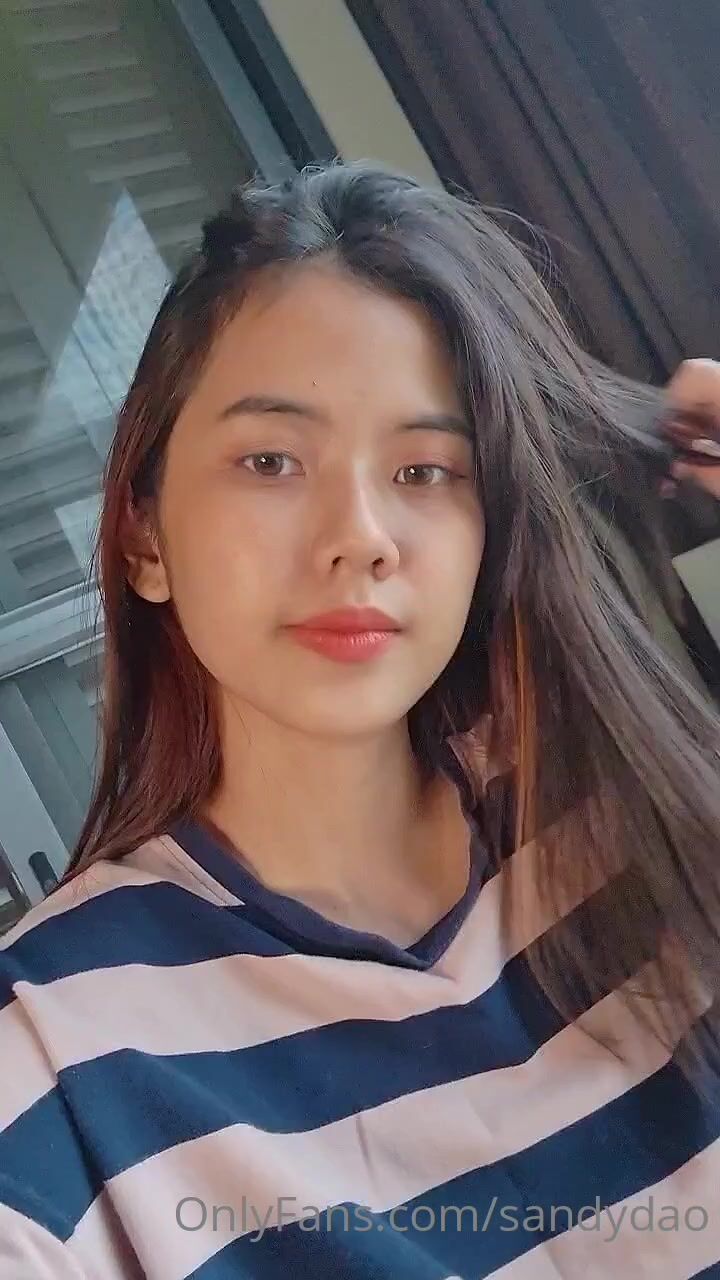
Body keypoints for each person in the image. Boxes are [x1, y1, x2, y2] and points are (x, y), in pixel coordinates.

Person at [0, 161, 719, 1280]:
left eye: (426, 469)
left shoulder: (645, 816)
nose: (361, 536)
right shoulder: (51, 1048)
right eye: (272, 460)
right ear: (145, 538)